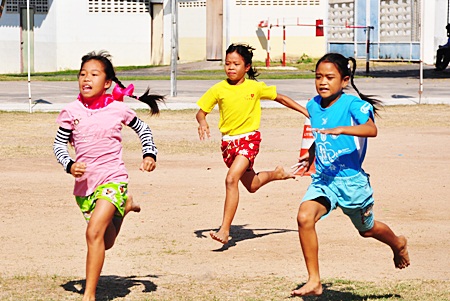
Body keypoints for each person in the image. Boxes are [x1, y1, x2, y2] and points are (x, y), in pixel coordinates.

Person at [291, 53, 410, 297]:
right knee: (304, 217)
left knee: (366, 230)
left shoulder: (353, 104)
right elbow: (320, 135)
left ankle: (398, 243)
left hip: (351, 183)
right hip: (324, 180)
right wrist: (312, 154)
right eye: (318, 77)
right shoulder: (313, 105)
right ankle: (314, 280)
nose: (323, 82)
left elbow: (371, 129)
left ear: (344, 80)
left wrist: (343, 128)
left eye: (330, 77)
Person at [53, 50, 164, 301]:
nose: (86, 79)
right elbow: (59, 145)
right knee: (106, 241)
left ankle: (89, 296)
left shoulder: (118, 109)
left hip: (113, 179)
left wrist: (150, 154)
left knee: (93, 234)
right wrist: (69, 165)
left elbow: (143, 129)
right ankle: (124, 208)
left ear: (107, 83)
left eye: (94, 74)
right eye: (82, 74)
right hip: (84, 187)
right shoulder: (71, 111)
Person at [196, 43, 309, 245]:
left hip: (249, 140)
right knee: (252, 185)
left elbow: (281, 98)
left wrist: (305, 111)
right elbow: (201, 111)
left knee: (231, 180)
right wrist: (202, 121)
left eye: (236, 64)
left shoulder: (255, 87)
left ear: (247, 67)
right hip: (228, 145)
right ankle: (277, 174)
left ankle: (224, 230)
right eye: (227, 63)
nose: (230, 67)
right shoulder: (218, 89)